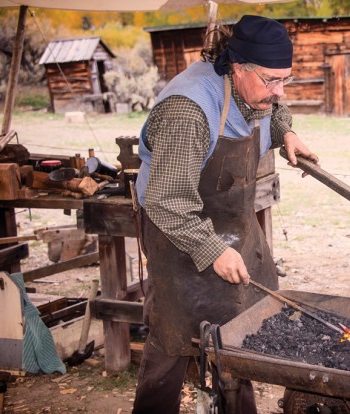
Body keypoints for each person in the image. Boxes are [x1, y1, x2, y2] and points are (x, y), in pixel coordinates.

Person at [131, 15, 318, 414]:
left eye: (286, 79)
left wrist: (286, 130)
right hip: (174, 225)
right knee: (173, 336)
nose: (279, 90)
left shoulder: (256, 91)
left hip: (232, 224)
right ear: (238, 66)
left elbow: (273, 109)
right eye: (272, 80)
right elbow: (166, 199)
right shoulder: (189, 110)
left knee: (240, 329)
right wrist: (212, 249)